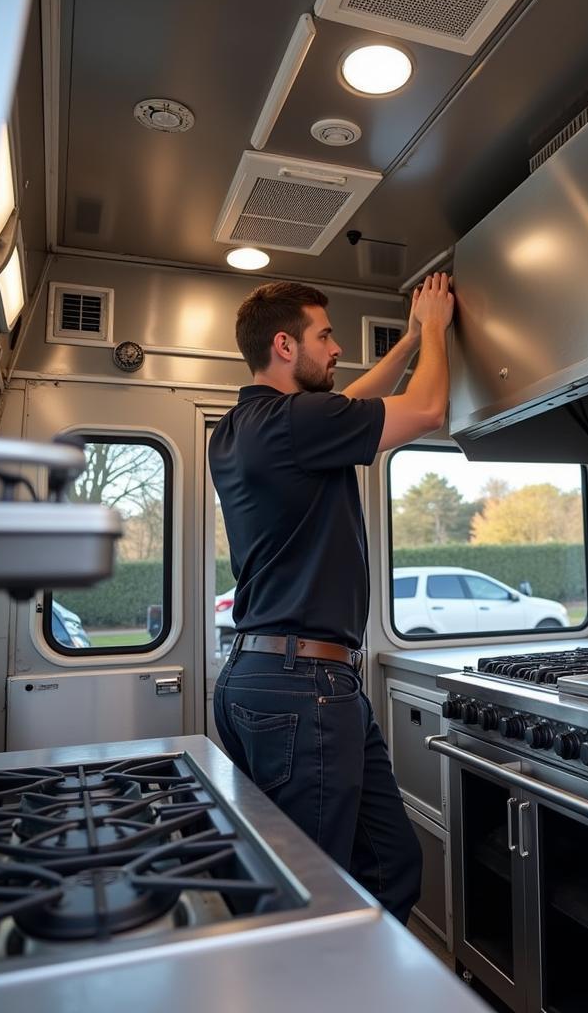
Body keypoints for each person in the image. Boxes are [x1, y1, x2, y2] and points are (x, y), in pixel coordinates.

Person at [209, 273, 454, 924]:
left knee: (390, 864)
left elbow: (345, 399)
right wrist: (434, 327)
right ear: (286, 346)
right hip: (303, 688)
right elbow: (427, 410)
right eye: (327, 335)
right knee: (314, 899)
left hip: (270, 677)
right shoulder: (292, 424)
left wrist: (403, 346)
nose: (337, 347)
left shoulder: (245, 426)